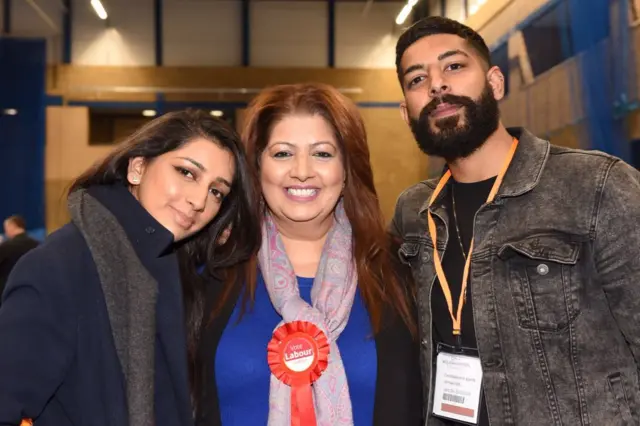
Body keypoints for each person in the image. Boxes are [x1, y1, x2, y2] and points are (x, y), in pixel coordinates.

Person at [391, 15, 640, 426]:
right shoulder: (412, 213)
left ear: (495, 82)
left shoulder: (596, 187)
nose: (436, 85)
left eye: (454, 66)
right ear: (406, 113)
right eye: (417, 79)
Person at [0, 110, 261, 426]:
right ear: (137, 167)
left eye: (216, 191)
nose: (199, 200)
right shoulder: (60, 267)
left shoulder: (179, 272)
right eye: (187, 173)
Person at [193, 83, 423, 426]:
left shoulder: (397, 271)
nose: (302, 170)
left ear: (347, 169)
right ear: (257, 168)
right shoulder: (210, 270)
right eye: (282, 153)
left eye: (323, 153)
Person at [0, 215, 39, 304]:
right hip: (32, 291)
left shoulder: (5, 247)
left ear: (12, 226)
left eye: (6, 228)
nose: (6, 232)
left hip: (7, 293)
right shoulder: (37, 245)